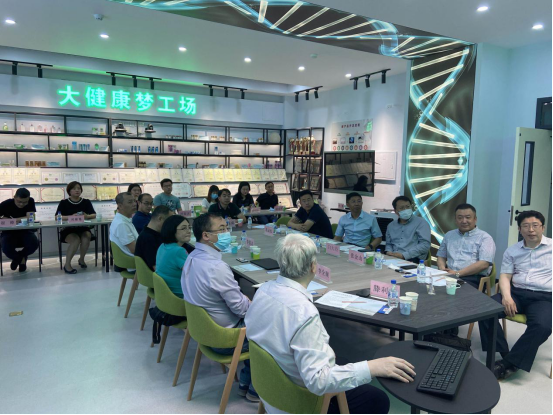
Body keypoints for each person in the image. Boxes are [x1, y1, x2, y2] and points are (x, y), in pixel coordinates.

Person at [245, 234, 415, 414]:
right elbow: (318, 381)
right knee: (377, 399)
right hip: (297, 402)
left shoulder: (263, 290)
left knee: (343, 361)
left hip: (270, 389)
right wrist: (372, 367)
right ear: (313, 266)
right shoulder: (303, 313)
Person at [182, 213, 257, 402]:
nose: (227, 233)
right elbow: (242, 309)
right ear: (206, 235)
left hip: (203, 331)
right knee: (272, 326)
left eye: (226, 227)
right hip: (224, 338)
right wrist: (250, 302)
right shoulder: (216, 267)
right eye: (221, 229)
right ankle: (257, 388)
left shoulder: (192, 257)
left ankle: (246, 381)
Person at [479, 210, 551, 380]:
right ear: (519, 229)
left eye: (535, 225)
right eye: (526, 226)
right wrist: (507, 297)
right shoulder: (512, 251)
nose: (531, 230)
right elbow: (505, 276)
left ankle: (508, 364)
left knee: (542, 326)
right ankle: (506, 354)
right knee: (484, 310)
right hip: (516, 293)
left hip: (544, 297)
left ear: (543, 227)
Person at [437, 204, 496, 289]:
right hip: (450, 275)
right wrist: (442, 269)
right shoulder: (449, 235)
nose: (464, 221)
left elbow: (484, 264)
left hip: (472, 278)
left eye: (468, 217)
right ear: (455, 220)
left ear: (475, 219)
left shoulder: (485, 238)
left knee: (453, 292)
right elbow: (441, 256)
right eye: (460, 218)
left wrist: (457, 273)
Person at [56, 181, 96, 274]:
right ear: (69, 191)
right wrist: (71, 217)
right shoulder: (64, 202)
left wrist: (87, 216)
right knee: (75, 240)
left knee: (87, 236)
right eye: (74, 189)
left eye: (79, 188)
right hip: (68, 229)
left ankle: (81, 259)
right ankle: (67, 265)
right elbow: (57, 217)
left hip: (83, 228)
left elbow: (94, 215)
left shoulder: (86, 202)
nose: (77, 190)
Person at [0, 188, 39, 272]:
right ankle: (21, 260)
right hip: (9, 232)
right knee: (6, 247)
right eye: (19, 201)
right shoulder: (6, 204)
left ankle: (19, 258)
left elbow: (30, 217)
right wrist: (22, 219)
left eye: (25, 202)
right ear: (14, 197)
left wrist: (12, 220)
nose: (22, 204)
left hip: (25, 230)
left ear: (28, 199)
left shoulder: (31, 201)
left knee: (34, 244)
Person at [385, 196, 430, 263]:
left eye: (408, 207)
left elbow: (425, 245)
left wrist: (404, 255)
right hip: (393, 258)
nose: (405, 209)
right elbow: (389, 244)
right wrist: (388, 252)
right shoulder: (391, 225)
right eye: (402, 208)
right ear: (395, 211)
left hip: (412, 259)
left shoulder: (421, 223)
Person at [156, 215, 191, 298]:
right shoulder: (178, 251)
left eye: (189, 227)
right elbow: (193, 274)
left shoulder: (163, 246)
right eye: (183, 228)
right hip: (180, 295)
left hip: (167, 293)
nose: (189, 231)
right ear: (172, 230)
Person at [135, 206, 172, 271]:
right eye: (169, 221)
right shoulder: (148, 239)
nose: (170, 225)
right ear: (160, 218)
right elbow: (157, 268)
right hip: (155, 275)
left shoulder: (154, 233)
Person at [110, 192, 138, 265]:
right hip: (133, 261)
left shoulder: (125, 219)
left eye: (134, 201)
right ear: (120, 206)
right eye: (130, 202)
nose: (134, 204)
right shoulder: (121, 224)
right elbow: (134, 249)